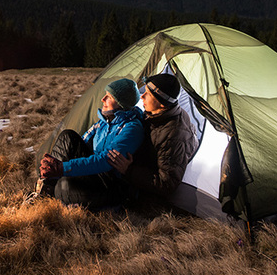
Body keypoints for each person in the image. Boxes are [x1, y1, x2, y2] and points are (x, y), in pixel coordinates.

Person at [37, 78, 144, 210]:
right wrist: (55, 166)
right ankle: (45, 187)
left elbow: (106, 160)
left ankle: (54, 191)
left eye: (109, 97)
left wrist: (63, 168)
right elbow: (80, 144)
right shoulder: (103, 123)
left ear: (122, 103)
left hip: (113, 186)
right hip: (96, 176)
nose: (103, 99)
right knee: (67, 136)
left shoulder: (131, 128)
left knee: (65, 185)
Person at [107, 73, 198, 198]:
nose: (142, 96)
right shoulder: (157, 114)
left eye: (148, 94)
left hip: (143, 188)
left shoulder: (173, 135)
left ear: (162, 103)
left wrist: (129, 170)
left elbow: (167, 184)